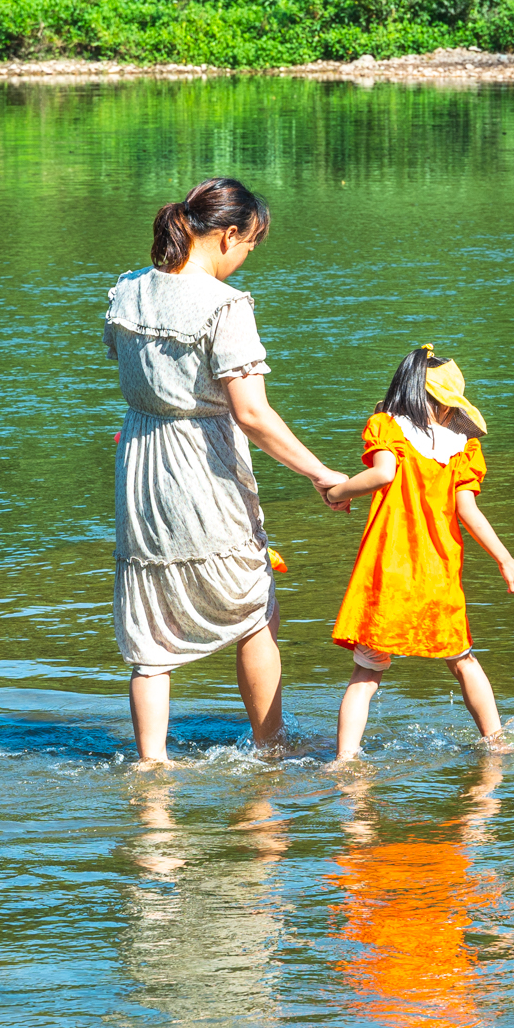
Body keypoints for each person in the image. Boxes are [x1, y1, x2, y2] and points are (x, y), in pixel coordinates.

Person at [104, 177, 351, 765]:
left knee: (150, 628)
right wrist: (321, 473)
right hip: (202, 464)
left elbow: (125, 364)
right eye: (248, 247)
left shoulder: (128, 290)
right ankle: (272, 746)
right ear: (228, 234)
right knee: (252, 606)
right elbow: (253, 415)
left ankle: (151, 764)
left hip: (140, 461)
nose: (245, 261)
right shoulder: (225, 305)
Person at [320, 347, 514, 761]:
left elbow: (383, 474)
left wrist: (336, 492)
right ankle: (496, 742)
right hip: (438, 574)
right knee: (464, 661)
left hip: (389, 571)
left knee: (366, 673)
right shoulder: (462, 448)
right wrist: (506, 559)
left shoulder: (387, 428)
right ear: (440, 404)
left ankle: (346, 760)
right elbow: (468, 511)